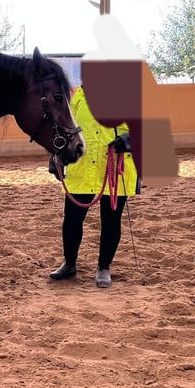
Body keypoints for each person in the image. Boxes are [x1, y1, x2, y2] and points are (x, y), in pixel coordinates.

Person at [48, 85, 138, 288]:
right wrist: (54, 156)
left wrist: (128, 139)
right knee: (72, 219)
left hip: (113, 168)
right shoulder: (78, 97)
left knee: (111, 219)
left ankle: (104, 267)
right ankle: (69, 263)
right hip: (82, 167)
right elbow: (63, 128)